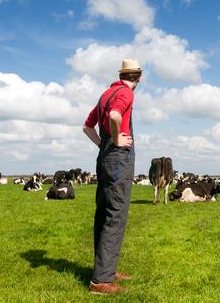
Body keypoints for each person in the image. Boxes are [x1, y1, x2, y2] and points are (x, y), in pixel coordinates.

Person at [82, 58, 142, 295]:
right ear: (138, 76)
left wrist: (102, 145)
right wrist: (116, 140)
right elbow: (115, 115)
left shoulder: (104, 95)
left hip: (104, 159)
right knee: (116, 215)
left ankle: (105, 269)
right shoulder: (126, 94)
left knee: (104, 212)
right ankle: (101, 282)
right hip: (119, 159)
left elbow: (87, 127)